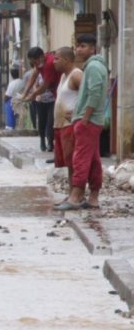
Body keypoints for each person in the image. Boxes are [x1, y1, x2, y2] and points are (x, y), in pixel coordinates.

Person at [57, 34, 108, 211]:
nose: (79, 50)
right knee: (93, 160)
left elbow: (95, 93)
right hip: (88, 119)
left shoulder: (93, 67)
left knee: (80, 158)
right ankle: (93, 198)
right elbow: (88, 94)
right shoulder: (93, 66)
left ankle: (75, 197)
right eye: (77, 46)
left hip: (89, 121)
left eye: (83, 46)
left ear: (93, 49)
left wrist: (85, 117)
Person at [50, 48, 81, 194]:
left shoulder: (76, 75)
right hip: (61, 125)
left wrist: (78, 112)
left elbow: (90, 94)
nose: (53, 62)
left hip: (71, 125)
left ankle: (77, 194)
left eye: (57, 59)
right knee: (69, 164)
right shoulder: (64, 76)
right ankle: (71, 194)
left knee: (74, 162)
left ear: (66, 60)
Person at [22, 47, 57, 152]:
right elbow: (33, 77)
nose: (35, 65)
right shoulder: (40, 64)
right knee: (41, 122)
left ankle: (50, 142)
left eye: (35, 62)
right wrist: (25, 93)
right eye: (32, 63)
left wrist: (32, 95)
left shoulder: (49, 63)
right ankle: (42, 141)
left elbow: (45, 86)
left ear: (41, 57)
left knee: (51, 122)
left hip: (53, 96)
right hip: (42, 99)